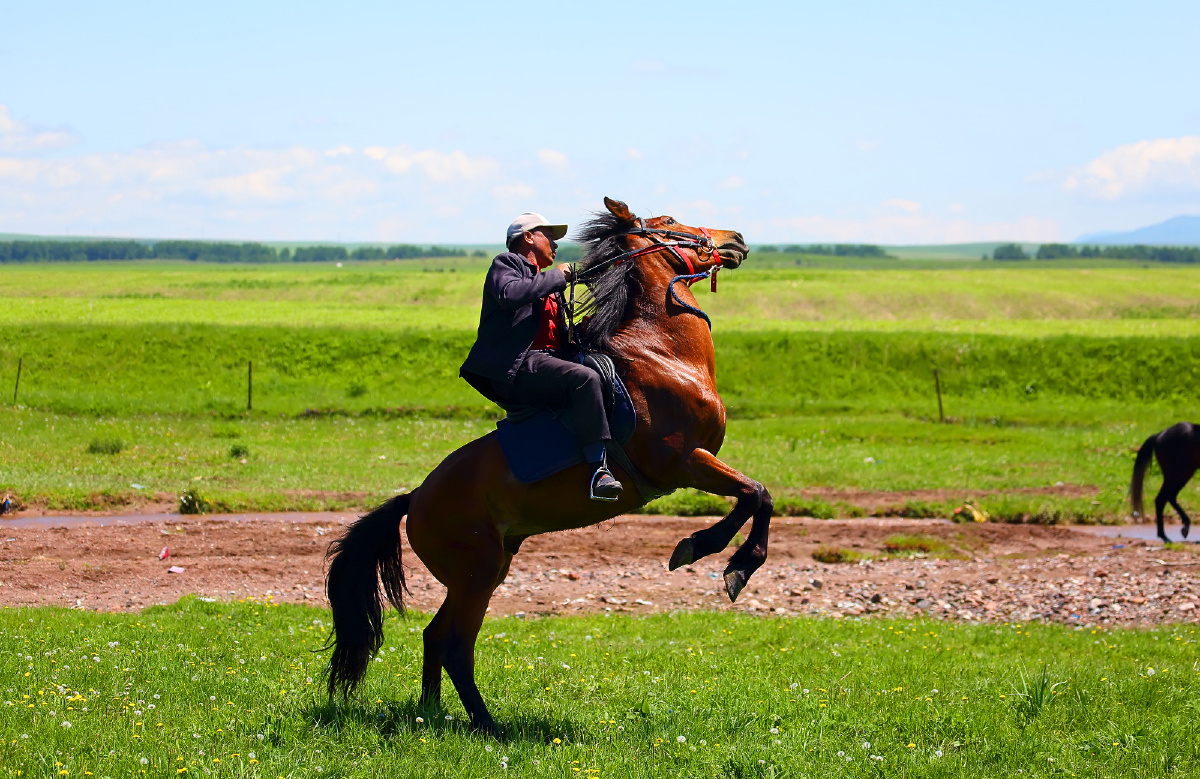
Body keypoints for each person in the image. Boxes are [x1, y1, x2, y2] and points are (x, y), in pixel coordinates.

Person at [460, 212, 623, 500]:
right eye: (550, 237)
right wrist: (559, 275)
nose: (555, 245)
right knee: (584, 379)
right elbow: (510, 294)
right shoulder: (507, 263)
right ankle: (599, 469)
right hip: (518, 364)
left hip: (545, 361)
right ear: (528, 238)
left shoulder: (545, 281)